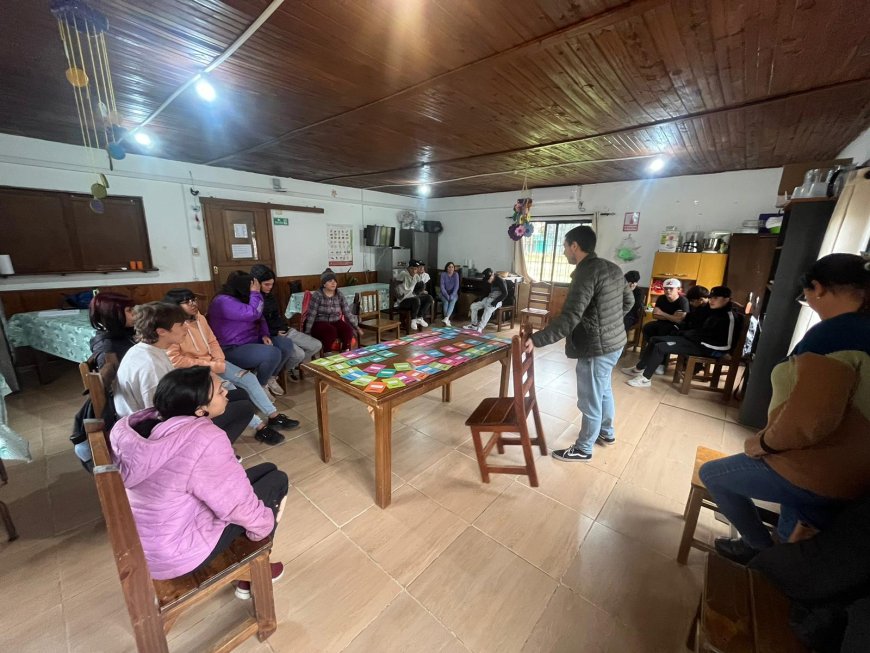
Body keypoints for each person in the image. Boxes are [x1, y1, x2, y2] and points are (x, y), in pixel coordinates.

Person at [699, 253, 870, 565]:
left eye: (805, 293)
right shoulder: (861, 328)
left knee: (713, 474)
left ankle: (761, 552)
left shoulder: (836, 334)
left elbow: (811, 419)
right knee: (797, 535)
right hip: (850, 469)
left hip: (819, 468)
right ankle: (781, 558)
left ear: (817, 288)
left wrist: (763, 444)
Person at [110, 367, 288, 596]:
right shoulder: (203, 439)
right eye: (220, 390)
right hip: (176, 554)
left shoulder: (146, 425)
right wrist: (263, 529)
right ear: (200, 410)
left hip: (147, 543)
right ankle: (255, 569)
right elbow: (236, 505)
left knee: (268, 471)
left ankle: (252, 565)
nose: (226, 392)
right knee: (276, 484)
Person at [524, 226, 634, 462]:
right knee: (603, 390)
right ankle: (606, 433)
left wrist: (537, 339)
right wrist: (611, 322)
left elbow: (570, 317)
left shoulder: (586, 273)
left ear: (575, 246)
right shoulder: (612, 268)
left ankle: (584, 449)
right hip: (615, 342)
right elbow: (629, 301)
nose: (564, 252)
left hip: (597, 347)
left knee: (590, 397)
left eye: (564, 246)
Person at [163, 288, 295, 445]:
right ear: (174, 306)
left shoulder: (199, 318)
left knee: (249, 378)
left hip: (215, 361)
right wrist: (211, 365)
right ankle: (260, 427)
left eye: (193, 299)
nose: (193, 304)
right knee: (228, 388)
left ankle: (273, 416)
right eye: (187, 302)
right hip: (195, 370)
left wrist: (219, 360)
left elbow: (212, 341)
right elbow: (176, 360)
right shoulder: (170, 328)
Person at [115, 301, 257, 445]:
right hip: (156, 432)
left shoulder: (150, 349)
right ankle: (208, 450)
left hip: (166, 414)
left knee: (240, 394)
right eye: (181, 325)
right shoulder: (150, 365)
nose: (186, 329)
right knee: (244, 409)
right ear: (161, 331)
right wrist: (199, 410)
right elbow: (159, 414)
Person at [621, 286, 741, 387]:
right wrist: (687, 326)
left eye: (716, 298)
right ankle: (638, 368)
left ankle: (645, 379)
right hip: (695, 341)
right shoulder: (712, 310)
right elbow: (698, 325)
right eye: (711, 298)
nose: (711, 301)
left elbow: (726, 344)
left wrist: (693, 337)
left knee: (661, 347)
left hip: (708, 348)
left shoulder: (729, 317)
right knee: (654, 339)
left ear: (726, 299)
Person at [208, 271, 301, 399]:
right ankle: (260, 385)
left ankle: (270, 378)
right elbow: (253, 313)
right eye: (252, 287)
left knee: (286, 344)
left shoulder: (245, 296)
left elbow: (260, 317)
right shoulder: (222, 301)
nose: (256, 289)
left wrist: (265, 334)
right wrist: (255, 294)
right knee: (272, 353)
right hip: (232, 347)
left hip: (252, 340)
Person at [250, 265, 322, 381]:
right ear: (256, 283)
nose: (270, 287)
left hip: (285, 330)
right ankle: (276, 373)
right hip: (271, 335)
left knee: (316, 345)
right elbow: (256, 323)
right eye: (266, 284)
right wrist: (275, 332)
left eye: (272, 284)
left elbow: (277, 316)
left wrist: (284, 327)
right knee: (298, 354)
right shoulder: (252, 299)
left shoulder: (271, 296)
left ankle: (288, 367)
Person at [303, 268, 361, 351]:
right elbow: (311, 315)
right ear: (324, 284)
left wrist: (356, 327)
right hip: (319, 322)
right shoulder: (317, 295)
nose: (333, 283)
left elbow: (347, 312)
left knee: (347, 330)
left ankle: (345, 351)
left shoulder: (339, 294)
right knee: (330, 331)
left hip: (335, 321)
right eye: (330, 281)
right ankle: (328, 354)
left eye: (335, 281)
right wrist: (307, 333)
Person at [89, 292, 136, 369]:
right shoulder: (107, 350)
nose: (135, 313)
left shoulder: (124, 330)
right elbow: (112, 380)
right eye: (129, 310)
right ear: (112, 315)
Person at [395, 260, 434, 330]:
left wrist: (419, 292)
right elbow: (394, 284)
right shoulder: (403, 274)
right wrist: (397, 295)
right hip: (403, 300)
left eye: (415, 269)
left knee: (429, 298)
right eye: (411, 268)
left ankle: (419, 317)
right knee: (416, 299)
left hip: (412, 298)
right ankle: (413, 320)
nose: (413, 271)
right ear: (408, 268)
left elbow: (421, 285)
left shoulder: (416, 276)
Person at [467, 267, 508, 333]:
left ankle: (480, 328)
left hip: (497, 301)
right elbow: (486, 293)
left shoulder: (500, 280)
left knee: (488, 310)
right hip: (488, 299)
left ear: (492, 275)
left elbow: (505, 293)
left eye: (487, 279)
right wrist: (478, 300)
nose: (487, 281)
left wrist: (495, 302)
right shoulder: (489, 280)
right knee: (473, 306)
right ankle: (474, 325)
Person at [439, 261, 460, 326]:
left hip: (453, 293)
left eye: (452, 267)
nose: (451, 268)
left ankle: (446, 318)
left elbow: (456, 286)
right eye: (449, 267)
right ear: (446, 268)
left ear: (454, 268)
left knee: (452, 301)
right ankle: (447, 319)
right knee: (446, 302)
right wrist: (447, 295)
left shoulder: (456, 274)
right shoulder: (443, 274)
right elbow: (442, 286)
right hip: (443, 293)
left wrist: (452, 295)